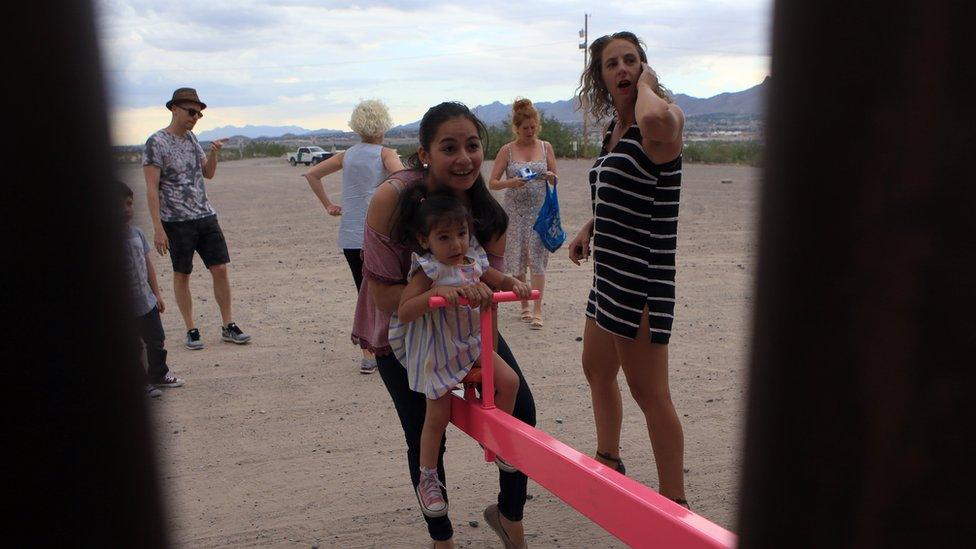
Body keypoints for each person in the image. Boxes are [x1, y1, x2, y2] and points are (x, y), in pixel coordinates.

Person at [351, 102, 535, 548]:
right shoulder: (393, 200)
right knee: (425, 427)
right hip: (405, 332)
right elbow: (384, 298)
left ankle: (509, 515)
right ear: (425, 154)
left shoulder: (487, 214)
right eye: (448, 147)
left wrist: (500, 286)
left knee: (522, 407)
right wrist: (443, 294)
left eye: (472, 146)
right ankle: (442, 538)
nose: (464, 158)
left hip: (460, 327)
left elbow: (486, 283)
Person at [568, 31, 689, 508]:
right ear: (599, 76)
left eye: (631, 61)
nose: (621, 69)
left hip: (641, 281)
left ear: (645, 66)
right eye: (611, 64)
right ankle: (608, 461)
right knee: (596, 368)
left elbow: (656, 116)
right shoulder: (614, 131)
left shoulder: (662, 120)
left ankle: (674, 506)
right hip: (609, 277)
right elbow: (625, 189)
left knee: (649, 393)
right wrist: (589, 226)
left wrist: (647, 87)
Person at [388, 191, 530, 518]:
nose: (456, 244)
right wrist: (435, 294)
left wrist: (514, 284)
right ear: (425, 240)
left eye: (461, 234)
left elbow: (496, 279)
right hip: (439, 350)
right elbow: (405, 310)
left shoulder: (473, 261)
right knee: (436, 416)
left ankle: (495, 438)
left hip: (470, 344)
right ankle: (428, 477)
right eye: (444, 237)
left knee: (508, 382)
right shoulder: (429, 270)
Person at [142, 87, 251, 350]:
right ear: (174, 109)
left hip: (205, 215)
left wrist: (213, 152)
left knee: (221, 269)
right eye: (191, 112)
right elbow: (150, 189)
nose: (195, 117)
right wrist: (158, 228)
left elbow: (208, 174)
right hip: (176, 222)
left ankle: (228, 325)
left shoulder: (192, 139)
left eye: (199, 114)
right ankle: (191, 329)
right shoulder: (156, 142)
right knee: (182, 274)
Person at [303, 99, 404, 374]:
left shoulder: (347, 155)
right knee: (384, 291)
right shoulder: (385, 153)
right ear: (383, 123)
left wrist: (328, 205)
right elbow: (402, 177)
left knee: (363, 290)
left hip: (349, 234)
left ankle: (367, 352)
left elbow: (312, 174)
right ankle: (387, 347)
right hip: (378, 235)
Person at [488, 98, 558, 329]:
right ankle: (524, 305)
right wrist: (511, 183)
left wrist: (549, 177)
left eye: (533, 127)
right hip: (515, 213)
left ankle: (538, 309)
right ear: (516, 128)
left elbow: (555, 176)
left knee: (537, 260)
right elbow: (493, 182)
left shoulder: (545, 147)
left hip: (540, 213)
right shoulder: (506, 151)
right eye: (525, 128)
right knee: (518, 260)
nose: (530, 132)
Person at [119, 181, 184, 396]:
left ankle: (158, 374)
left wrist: (156, 294)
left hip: (146, 301)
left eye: (129, 204)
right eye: (119, 205)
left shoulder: (137, 233)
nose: (126, 210)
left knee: (156, 339)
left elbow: (147, 265)